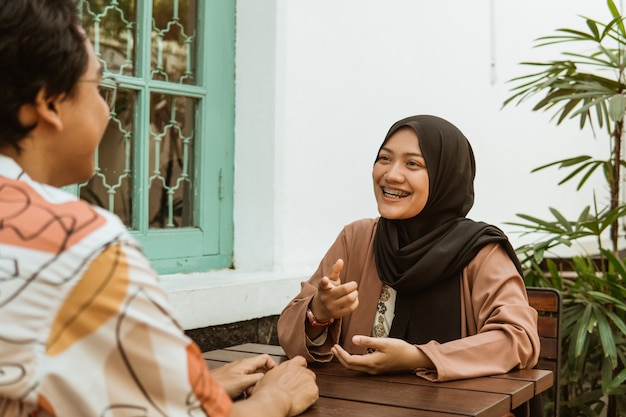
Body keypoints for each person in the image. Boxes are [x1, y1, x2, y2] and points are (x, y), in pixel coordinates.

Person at [0, 1, 318, 416]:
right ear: (48, 102)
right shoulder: (77, 244)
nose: (107, 107)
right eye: (98, 86)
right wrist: (276, 399)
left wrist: (198, 387)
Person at [278, 115, 540, 383]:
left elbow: (519, 339)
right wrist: (319, 312)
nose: (391, 175)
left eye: (413, 163)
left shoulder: (480, 252)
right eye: (384, 159)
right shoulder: (357, 238)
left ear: (445, 176)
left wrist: (421, 357)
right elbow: (289, 328)